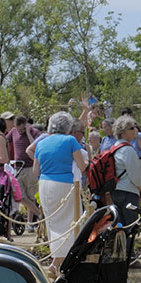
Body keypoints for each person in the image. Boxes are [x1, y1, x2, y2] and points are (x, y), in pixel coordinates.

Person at [33, 111, 88, 273]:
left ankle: (56, 262)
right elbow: (82, 166)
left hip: (44, 184)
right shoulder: (70, 140)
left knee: (53, 222)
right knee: (69, 221)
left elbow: (36, 170)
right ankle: (64, 263)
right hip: (64, 184)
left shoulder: (41, 143)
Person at [6, 115, 42, 227]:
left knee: (32, 196)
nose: (19, 131)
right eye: (18, 129)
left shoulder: (34, 132)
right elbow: (5, 140)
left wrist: (28, 132)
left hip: (30, 167)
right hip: (18, 167)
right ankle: (39, 214)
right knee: (20, 196)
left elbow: (35, 146)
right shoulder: (13, 131)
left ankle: (30, 222)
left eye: (21, 129)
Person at [110, 114, 141, 220]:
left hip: (115, 190)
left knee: (119, 225)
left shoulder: (114, 147)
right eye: (132, 128)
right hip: (128, 192)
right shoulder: (128, 150)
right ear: (124, 132)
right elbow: (135, 176)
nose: (135, 130)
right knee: (130, 226)